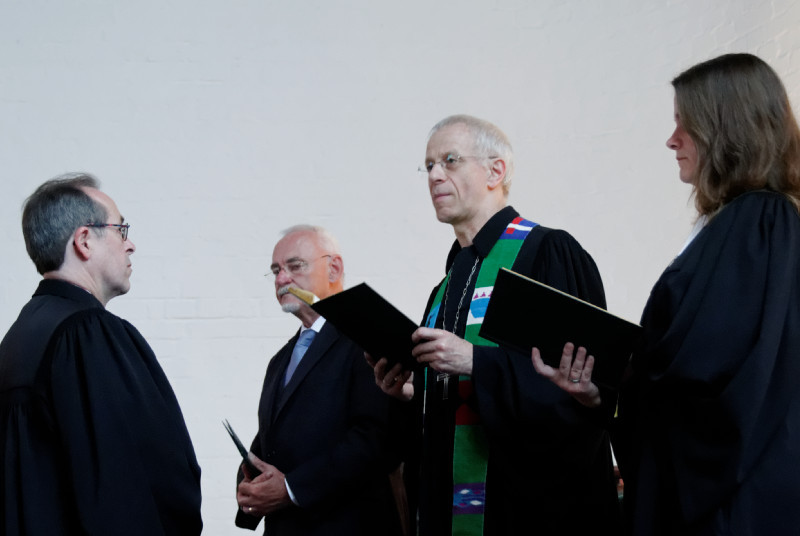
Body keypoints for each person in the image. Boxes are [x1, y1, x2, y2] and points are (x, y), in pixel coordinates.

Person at [533, 53, 800, 535]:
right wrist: (603, 393)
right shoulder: (744, 225)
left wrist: (621, 376)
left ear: (727, 130)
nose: (672, 140)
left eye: (685, 124)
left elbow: (708, 369)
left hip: (733, 503)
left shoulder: (758, 221)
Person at [370, 115, 621, 535]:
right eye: (428, 165)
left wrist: (477, 362)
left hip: (525, 510)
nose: (434, 175)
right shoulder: (445, 288)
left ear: (495, 171)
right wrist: (412, 394)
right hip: (448, 509)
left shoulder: (546, 253)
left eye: (449, 160)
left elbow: (584, 390)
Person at [0, 173, 202, 535]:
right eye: (120, 229)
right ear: (84, 241)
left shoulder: (18, 338)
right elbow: (144, 476)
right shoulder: (88, 334)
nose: (130, 245)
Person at [235, 225, 403, 536]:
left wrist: (291, 488)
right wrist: (249, 483)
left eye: (295, 266)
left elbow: (374, 439)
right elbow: (271, 442)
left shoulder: (367, 337)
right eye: (275, 271)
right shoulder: (280, 361)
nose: (282, 279)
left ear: (334, 268)